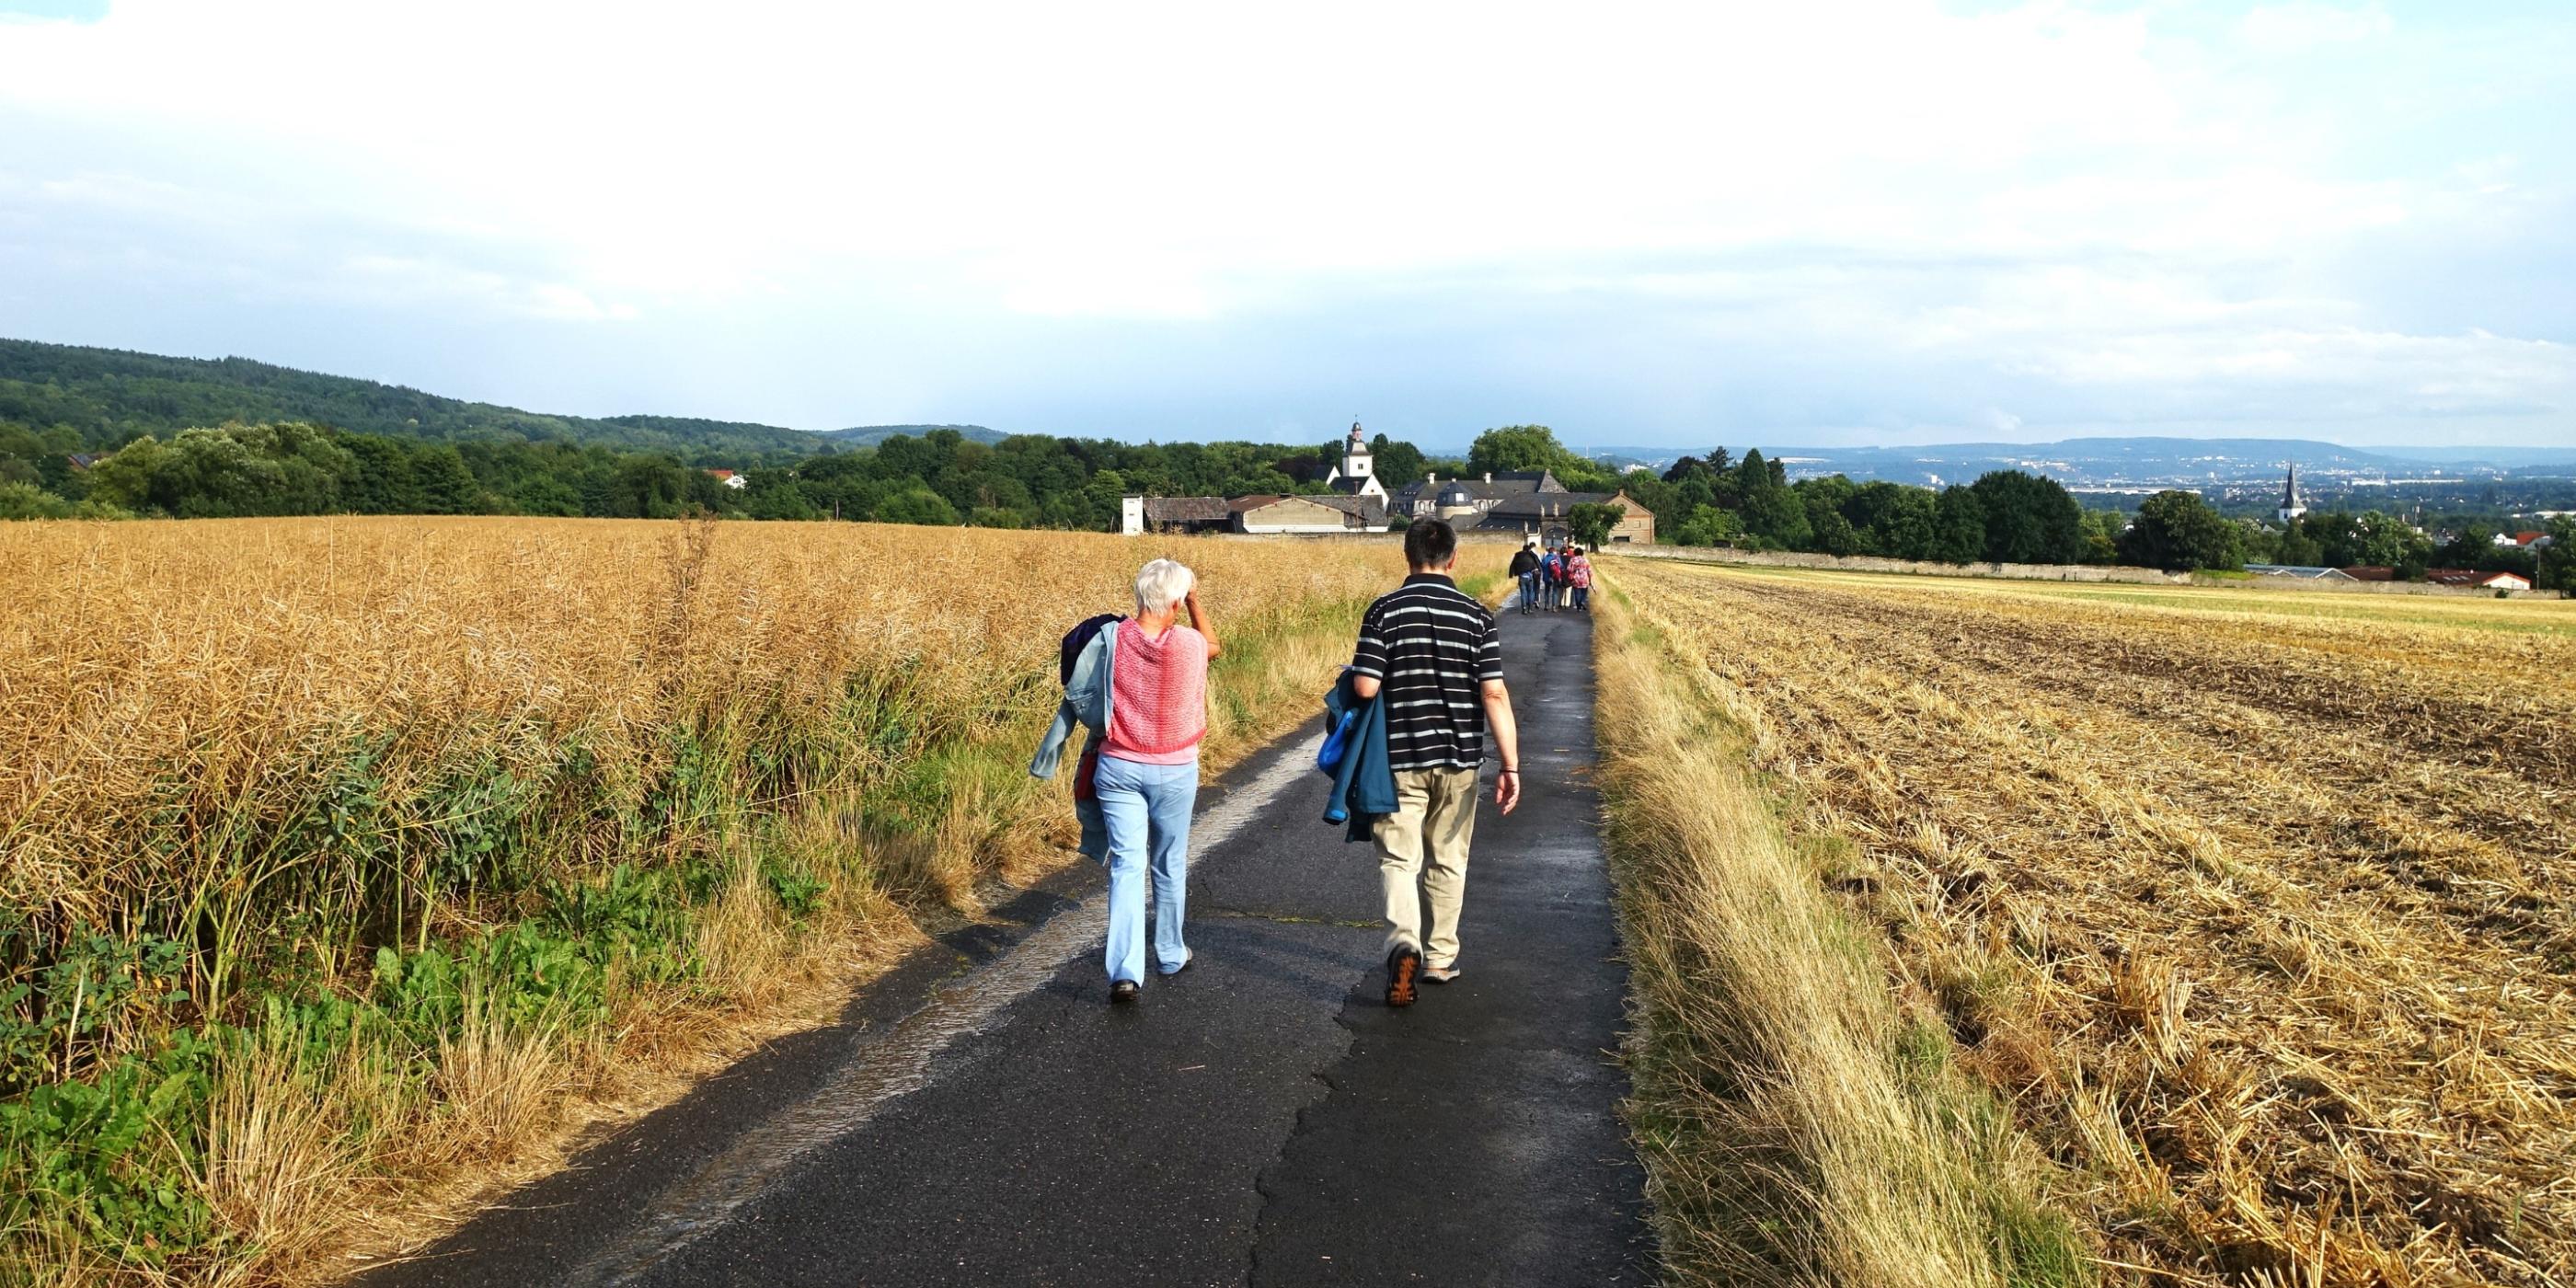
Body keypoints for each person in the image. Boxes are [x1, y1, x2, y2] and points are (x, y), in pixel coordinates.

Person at [1348, 518, 1522, 1007]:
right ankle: (1440, 958)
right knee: (1448, 858)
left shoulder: (1384, 611)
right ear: (1454, 557)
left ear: (1406, 556)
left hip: (1398, 758)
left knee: (1399, 858)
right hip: (1460, 759)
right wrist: (1511, 766)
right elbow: (1493, 692)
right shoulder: (1476, 616)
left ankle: (1404, 942)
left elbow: (1365, 687)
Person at [1096, 558, 1222, 1004]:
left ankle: (1126, 972)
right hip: (1174, 767)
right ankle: (1169, 952)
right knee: (1169, 861)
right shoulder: (1189, 643)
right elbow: (1214, 645)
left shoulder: (1111, 638)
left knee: (1127, 866)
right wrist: (1194, 601)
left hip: (1118, 767)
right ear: (1174, 600)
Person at [1508, 542, 1541, 615]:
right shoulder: (1531, 556)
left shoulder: (1518, 555)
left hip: (1521, 577)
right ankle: (1530, 609)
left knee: (1523, 593)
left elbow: (1512, 565)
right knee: (1530, 592)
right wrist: (1539, 571)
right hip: (1530, 578)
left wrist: (1511, 575)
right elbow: (1537, 563)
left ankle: (1524, 608)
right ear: (1529, 550)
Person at [1566, 546, 1593, 612]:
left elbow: (1569, 569)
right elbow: (1589, 571)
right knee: (1584, 592)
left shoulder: (1573, 559)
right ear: (1582, 553)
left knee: (1577, 593)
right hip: (1584, 578)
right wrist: (1590, 579)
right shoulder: (1585, 560)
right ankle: (1583, 601)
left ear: (1575, 553)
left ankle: (1579, 607)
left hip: (1576, 579)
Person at [1536, 546, 1561, 613]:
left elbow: (1542, 567)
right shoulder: (1557, 558)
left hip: (1547, 577)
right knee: (1555, 592)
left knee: (1547, 591)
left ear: (1548, 551)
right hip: (1555, 577)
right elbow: (1561, 566)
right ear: (1554, 551)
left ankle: (1546, 605)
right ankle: (1553, 607)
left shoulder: (1545, 559)